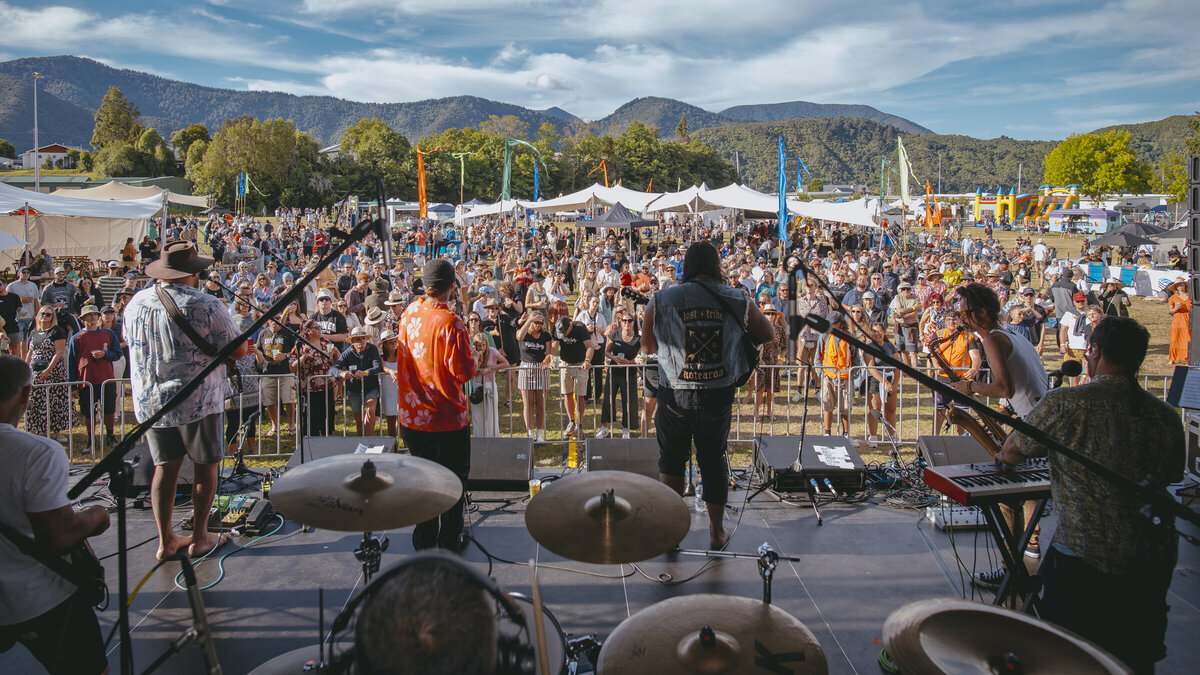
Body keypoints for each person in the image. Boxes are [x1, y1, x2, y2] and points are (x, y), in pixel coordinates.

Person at [995, 317, 1183, 673]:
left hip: (1085, 556)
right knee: (1136, 658)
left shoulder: (1068, 403)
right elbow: (1172, 473)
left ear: (1093, 352)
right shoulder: (1166, 416)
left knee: (1071, 656)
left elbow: (1013, 449)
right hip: (1150, 560)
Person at [642, 241, 774, 550]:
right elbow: (768, 334)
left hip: (674, 393)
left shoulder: (660, 300)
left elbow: (647, 348)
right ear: (716, 266)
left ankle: (672, 532)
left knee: (671, 461)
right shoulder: (739, 299)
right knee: (713, 462)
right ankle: (716, 532)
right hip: (717, 393)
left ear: (686, 264)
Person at [124, 241, 246, 561]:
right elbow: (238, 351)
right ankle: (201, 537)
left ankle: (166, 541)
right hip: (198, 399)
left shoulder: (135, 302)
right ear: (194, 273)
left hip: (152, 402)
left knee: (165, 468)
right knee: (206, 466)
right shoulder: (206, 305)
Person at [0, 356, 110, 675]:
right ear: (26, 394)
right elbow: (58, 535)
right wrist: (97, 515)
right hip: (40, 597)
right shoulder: (37, 452)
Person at [953, 282, 1049, 577]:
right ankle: (1031, 546)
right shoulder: (1011, 335)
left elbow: (1003, 386)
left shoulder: (993, 339)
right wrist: (1007, 408)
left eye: (965, 313)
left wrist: (967, 386)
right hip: (1038, 420)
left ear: (982, 312)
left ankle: (1010, 569)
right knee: (1029, 492)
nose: (962, 319)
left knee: (1006, 494)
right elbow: (1025, 383)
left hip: (1033, 425)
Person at [394, 259, 476, 551]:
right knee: (452, 483)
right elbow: (465, 372)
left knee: (423, 482)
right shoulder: (450, 322)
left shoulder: (408, 313)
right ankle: (449, 541)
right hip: (446, 419)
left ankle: (424, 540)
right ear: (451, 287)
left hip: (413, 419)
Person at [67, 305, 122, 449]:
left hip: (106, 379)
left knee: (109, 410)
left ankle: (110, 436)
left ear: (98, 317)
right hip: (87, 380)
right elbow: (71, 363)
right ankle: (91, 440)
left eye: (94, 315)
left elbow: (118, 354)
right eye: (89, 316)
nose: (92, 318)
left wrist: (105, 354)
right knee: (88, 412)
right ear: (83, 319)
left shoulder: (108, 334)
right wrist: (73, 386)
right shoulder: (76, 338)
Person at [24, 305, 70, 441]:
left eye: (48, 314)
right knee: (36, 401)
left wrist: (48, 370)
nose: (44, 316)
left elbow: (59, 352)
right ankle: (38, 429)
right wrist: (25, 368)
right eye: (42, 313)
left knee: (54, 401)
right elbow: (30, 352)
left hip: (53, 372)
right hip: (36, 372)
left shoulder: (57, 331)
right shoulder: (34, 332)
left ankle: (56, 432)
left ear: (52, 317)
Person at [334, 327, 383, 436]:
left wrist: (365, 372)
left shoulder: (372, 349)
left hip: (371, 387)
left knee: (371, 409)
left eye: (363, 338)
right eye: (358, 339)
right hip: (354, 389)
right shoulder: (347, 353)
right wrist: (341, 373)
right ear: (352, 341)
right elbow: (334, 368)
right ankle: (361, 440)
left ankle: (368, 438)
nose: (361, 341)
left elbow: (378, 366)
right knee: (358, 418)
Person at [515, 310, 554, 441]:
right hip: (526, 367)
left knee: (541, 403)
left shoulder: (546, 336)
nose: (538, 325)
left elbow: (549, 353)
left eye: (540, 322)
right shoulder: (524, 333)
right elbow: (519, 336)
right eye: (536, 322)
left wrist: (545, 362)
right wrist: (529, 321)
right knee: (528, 404)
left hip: (541, 369)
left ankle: (540, 434)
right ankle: (530, 433)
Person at [554, 316, 596, 440]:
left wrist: (587, 360)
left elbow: (589, 347)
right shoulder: (557, 329)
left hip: (579, 364)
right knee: (567, 394)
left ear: (570, 326)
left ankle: (580, 425)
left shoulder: (580, 328)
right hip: (565, 363)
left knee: (579, 396)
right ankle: (571, 422)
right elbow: (554, 347)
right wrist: (553, 359)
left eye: (564, 332)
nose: (562, 335)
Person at [1167, 277, 1190, 365]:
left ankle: (1187, 358)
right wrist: (1175, 309)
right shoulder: (1173, 298)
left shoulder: (1190, 296)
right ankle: (1172, 358)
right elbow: (1170, 310)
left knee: (1187, 338)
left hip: (1188, 319)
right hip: (1177, 319)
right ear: (1175, 287)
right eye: (1177, 285)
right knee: (1175, 339)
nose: (1180, 286)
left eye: (1181, 284)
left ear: (1184, 285)